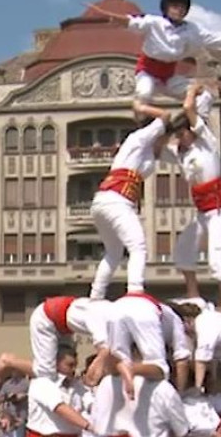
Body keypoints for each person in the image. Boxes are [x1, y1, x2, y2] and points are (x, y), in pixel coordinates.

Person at [87, 0, 221, 118]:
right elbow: (130, 22)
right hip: (148, 71)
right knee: (145, 93)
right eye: (175, 6)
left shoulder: (191, 30)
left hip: (169, 76)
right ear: (166, 8)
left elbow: (217, 38)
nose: (179, 10)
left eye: (182, 7)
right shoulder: (153, 23)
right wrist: (109, 16)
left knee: (205, 95)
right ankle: (141, 113)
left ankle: (196, 125)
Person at [89, 109, 179, 300]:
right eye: (165, 138)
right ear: (157, 134)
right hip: (116, 201)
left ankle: (96, 295)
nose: (166, 143)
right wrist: (144, 107)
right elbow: (165, 116)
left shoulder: (150, 152)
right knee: (138, 247)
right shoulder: (139, 139)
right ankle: (135, 291)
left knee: (113, 252)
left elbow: (179, 157)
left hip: (105, 201)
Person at [161, 83, 221, 310]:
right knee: (184, 248)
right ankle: (194, 296)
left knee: (216, 255)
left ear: (191, 131)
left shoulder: (207, 143)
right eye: (178, 135)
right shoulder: (182, 155)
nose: (180, 138)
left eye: (182, 134)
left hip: (219, 209)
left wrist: (192, 91)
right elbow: (159, 146)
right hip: (203, 211)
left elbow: (190, 111)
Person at [107, 294, 192, 401]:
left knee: (117, 355)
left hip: (118, 306)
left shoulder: (165, 314)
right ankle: (131, 368)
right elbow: (182, 360)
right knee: (159, 367)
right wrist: (179, 395)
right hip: (144, 314)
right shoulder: (175, 320)